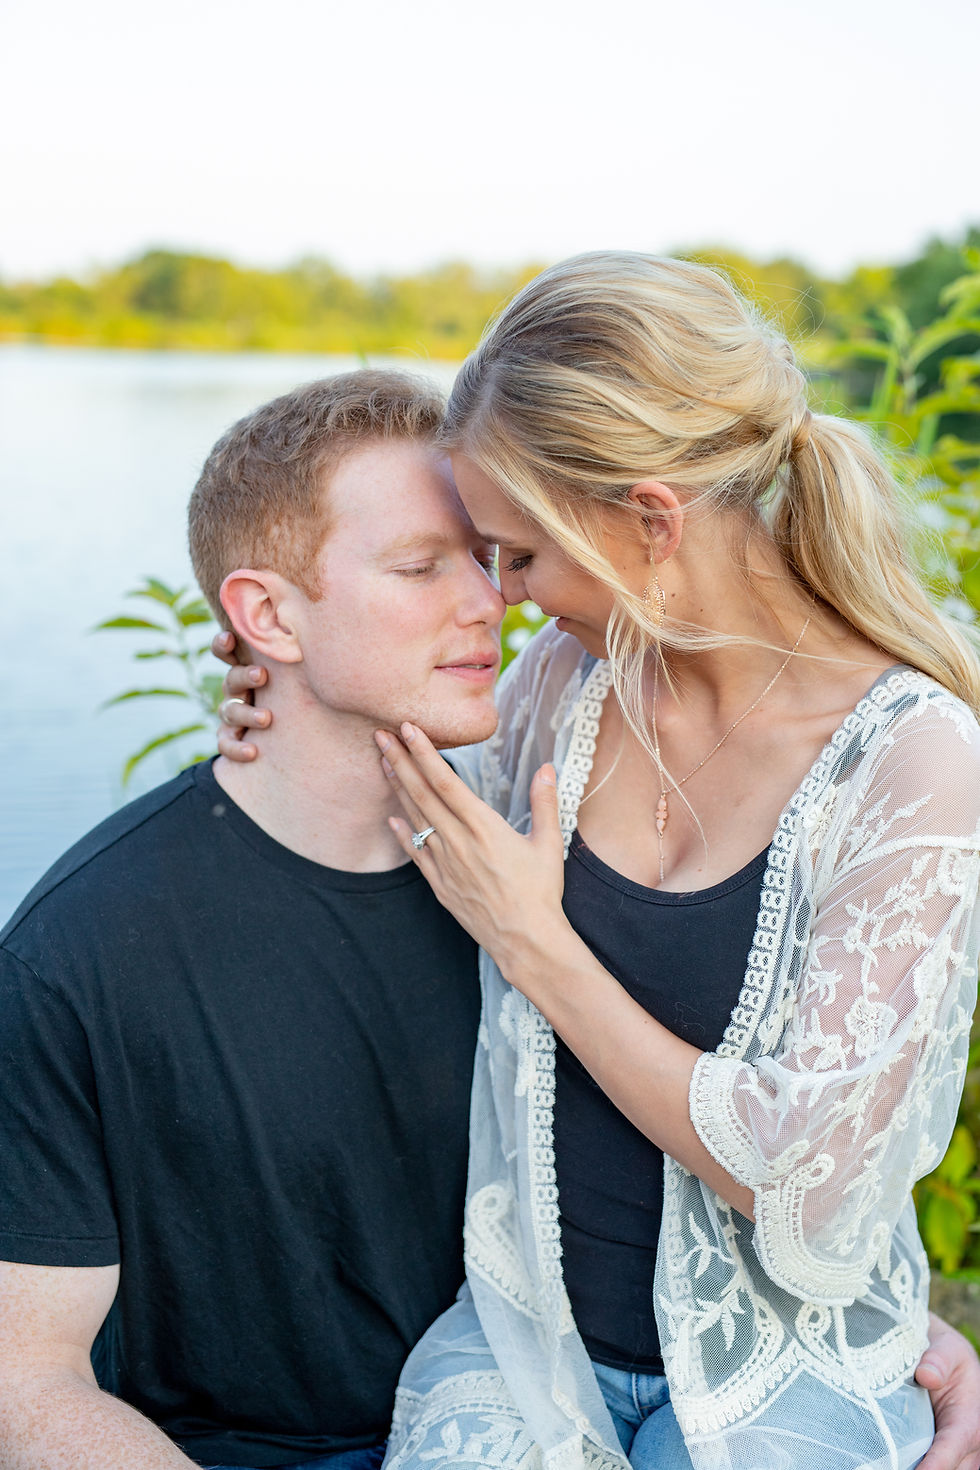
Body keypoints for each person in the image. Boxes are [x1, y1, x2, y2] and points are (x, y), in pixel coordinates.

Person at [358, 253, 980, 1469]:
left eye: (520, 556)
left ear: (651, 520)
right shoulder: (563, 688)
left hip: (784, 1370)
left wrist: (536, 945)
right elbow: (387, 811)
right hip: (524, 1338)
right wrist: (270, 700)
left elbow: (807, 1178)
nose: (504, 599)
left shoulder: (915, 762)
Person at [0, 371, 506, 1468]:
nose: (484, 600)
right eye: (421, 567)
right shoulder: (78, 953)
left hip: (534, 1425)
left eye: (488, 555)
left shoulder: (536, 868)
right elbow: (26, 1377)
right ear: (265, 614)